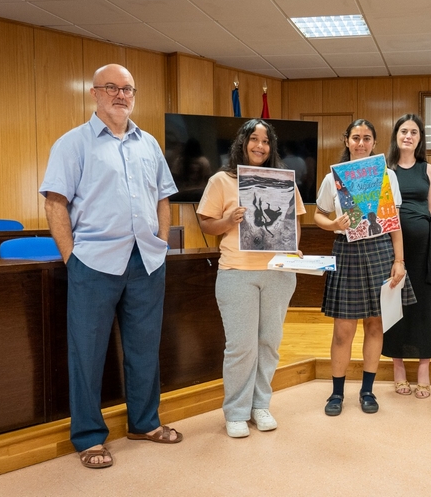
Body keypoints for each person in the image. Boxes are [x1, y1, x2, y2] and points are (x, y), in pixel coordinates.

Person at [41, 64, 182, 469]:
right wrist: (72, 258)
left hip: (146, 262)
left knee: (144, 349)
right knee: (87, 353)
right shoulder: (72, 144)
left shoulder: (149, 144)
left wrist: (160, 242)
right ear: (94, 93)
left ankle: (144, 423)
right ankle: (88, 437)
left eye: (128, 89)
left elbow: (163, 199)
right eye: (112, 88)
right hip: (94, 264)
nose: (121, 95)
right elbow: (55, 203)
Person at [197, 118, 306, 437]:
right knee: (241, 347)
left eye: (266, 141)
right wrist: (228, 221)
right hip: (237, 272)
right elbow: (206, 223)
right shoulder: (221, 180)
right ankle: (236, 411)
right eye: (254, 139)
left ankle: (260, 405)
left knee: (269, 343)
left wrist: (292, 247)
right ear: (242, 143)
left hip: (278, 273)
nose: (260, 146)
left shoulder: (283, 181)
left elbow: (295, 222)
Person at [315, 119, 415, 416]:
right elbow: (318, 215)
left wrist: (399, 261)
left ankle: (367, 391)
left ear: (374, 142)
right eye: (356, 137)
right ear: (347, 140)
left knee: (375, 325)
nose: (361, 143)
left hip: (380, 250)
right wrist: (332, 223)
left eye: (367, 138)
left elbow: (394, 224)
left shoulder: (387, 175)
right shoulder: (332, 178)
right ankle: (336, 393)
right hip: (346, 251)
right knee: (343, 331)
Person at [382, 114, 431, 399]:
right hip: (393, 249)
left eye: (414, 132)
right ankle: (398, 370)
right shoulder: (385, 170)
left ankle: (423, 371)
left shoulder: (428, 169)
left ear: (420, 138)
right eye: (404, 131)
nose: (408, 136)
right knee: (395, 305)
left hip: (425, 249)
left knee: (425, 307)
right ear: (396, 135)